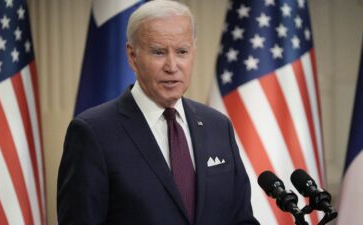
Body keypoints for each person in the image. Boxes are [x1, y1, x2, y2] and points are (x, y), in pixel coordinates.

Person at [57, 1, 260, 225]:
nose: (172, 66)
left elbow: (241, 219)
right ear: (132, 57)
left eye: (182, 51)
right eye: (158, 52)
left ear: (193, 52)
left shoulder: (218, 126)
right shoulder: (92, 133)